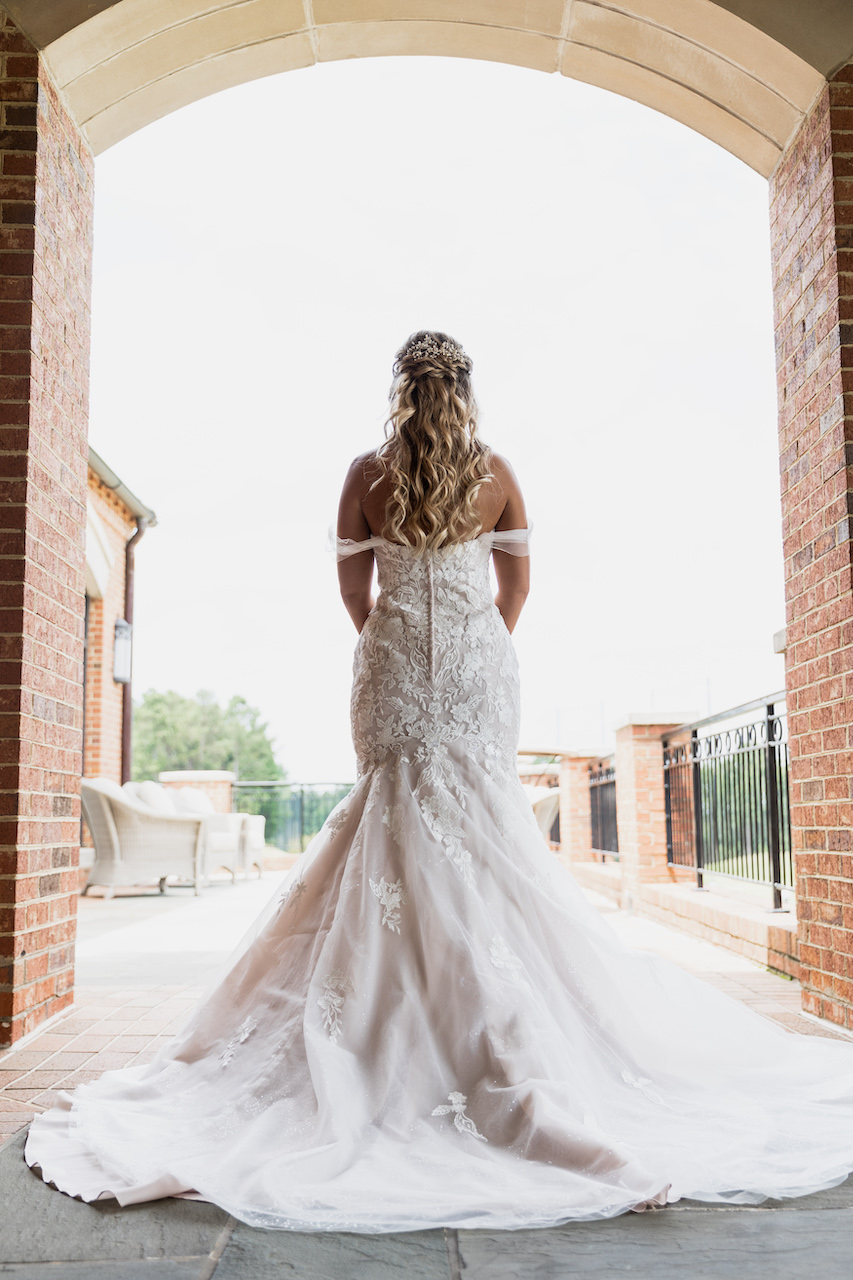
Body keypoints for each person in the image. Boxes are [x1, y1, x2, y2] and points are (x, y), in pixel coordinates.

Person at [25, 331, 853, 1231]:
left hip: (390, 668)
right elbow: (518, 586)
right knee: (481, 835)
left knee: (387, 821)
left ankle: (395, 1034)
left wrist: (396, 639)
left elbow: (352, 594)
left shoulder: (363, 473)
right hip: (474, 669)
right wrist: (471, 645)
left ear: (400, 389)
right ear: (462, 389)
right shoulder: (495, 470)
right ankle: (482, 1033)